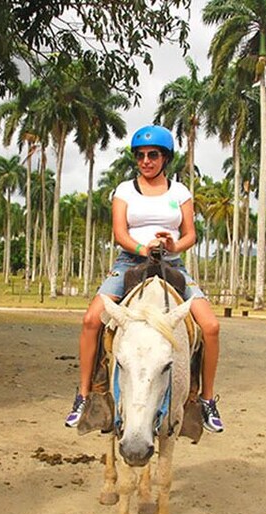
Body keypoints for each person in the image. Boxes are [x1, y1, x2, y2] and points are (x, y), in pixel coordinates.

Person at [65, 125, 223, 433]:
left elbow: (190, 234)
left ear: (165, 158)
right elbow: (120, 233)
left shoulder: (180, 192)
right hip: (130, 263)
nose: (146, 161)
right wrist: (143, 247)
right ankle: (84, 394)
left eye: (153, 155)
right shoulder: (124, 190)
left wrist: (173, 246)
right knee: (90, 320)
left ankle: (205, 400)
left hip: (172, 263)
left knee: (212, 327)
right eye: (140, 156)